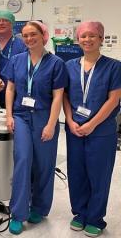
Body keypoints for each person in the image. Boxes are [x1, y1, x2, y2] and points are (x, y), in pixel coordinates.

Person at [3, 21, 67, 235]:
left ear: (43, 35)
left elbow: (58, 96)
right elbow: (10, 88)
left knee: (44, 164)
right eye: (25, 35)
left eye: (33, 34)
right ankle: (18, 213)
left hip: (44, 117)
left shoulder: (56, 63)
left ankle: (39, 207)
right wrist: (9, 115)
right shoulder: (16, 60)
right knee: (22, 161)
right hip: (21, 117)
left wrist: (51, 124)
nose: (29, 39)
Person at [63, 21, 121, 237]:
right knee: (76, 173)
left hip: (101, 131)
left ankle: (95, 217)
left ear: (101, 39)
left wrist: (92, 124)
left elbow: (114, 99)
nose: (87, 40)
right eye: (83, 36)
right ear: (78, 39)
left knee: (99, 174)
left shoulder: (114, 66)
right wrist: (69, 121)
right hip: (74, 129)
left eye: (92, 36)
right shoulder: (69, 66)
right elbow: (65, 97)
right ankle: (80, 213)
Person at [0, 10, 26, 107]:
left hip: (16, 97)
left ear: (12, 23)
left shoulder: (22, 46)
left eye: (5, 20)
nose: (1, 23)